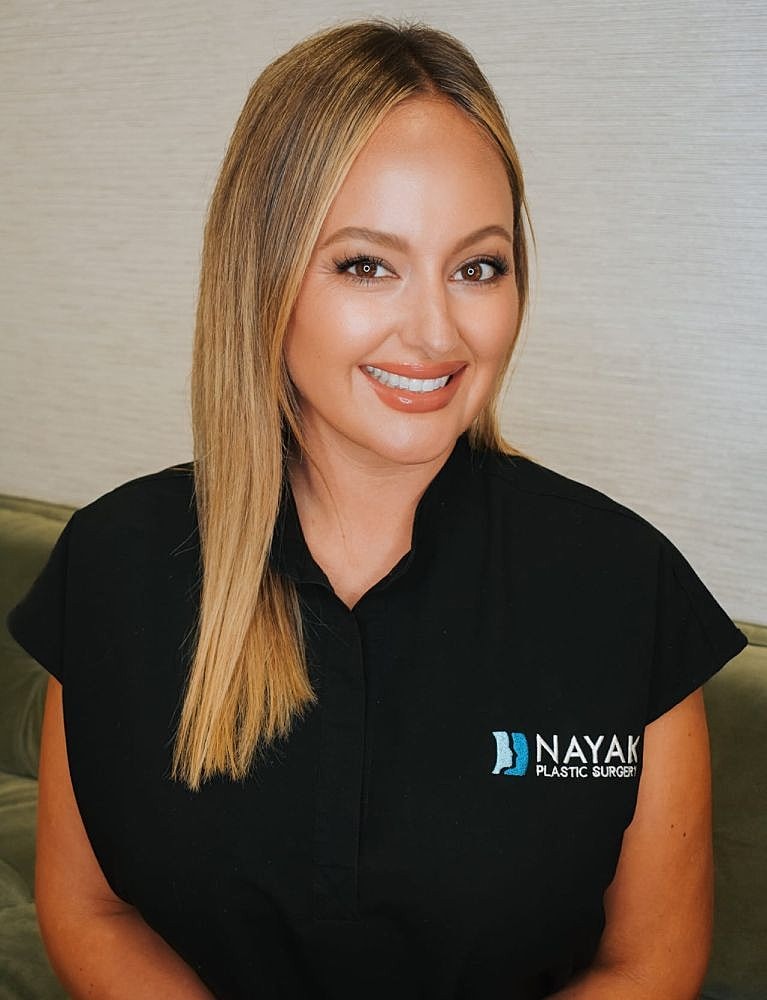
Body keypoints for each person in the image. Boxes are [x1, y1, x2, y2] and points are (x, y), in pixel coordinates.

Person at [6, 18, 747, 1000]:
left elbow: (651, 962)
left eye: (477, 266)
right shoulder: (112, 564)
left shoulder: (622, 586)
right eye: (366, 264)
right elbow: (88, 907)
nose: (437, 332)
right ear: (262, 279)